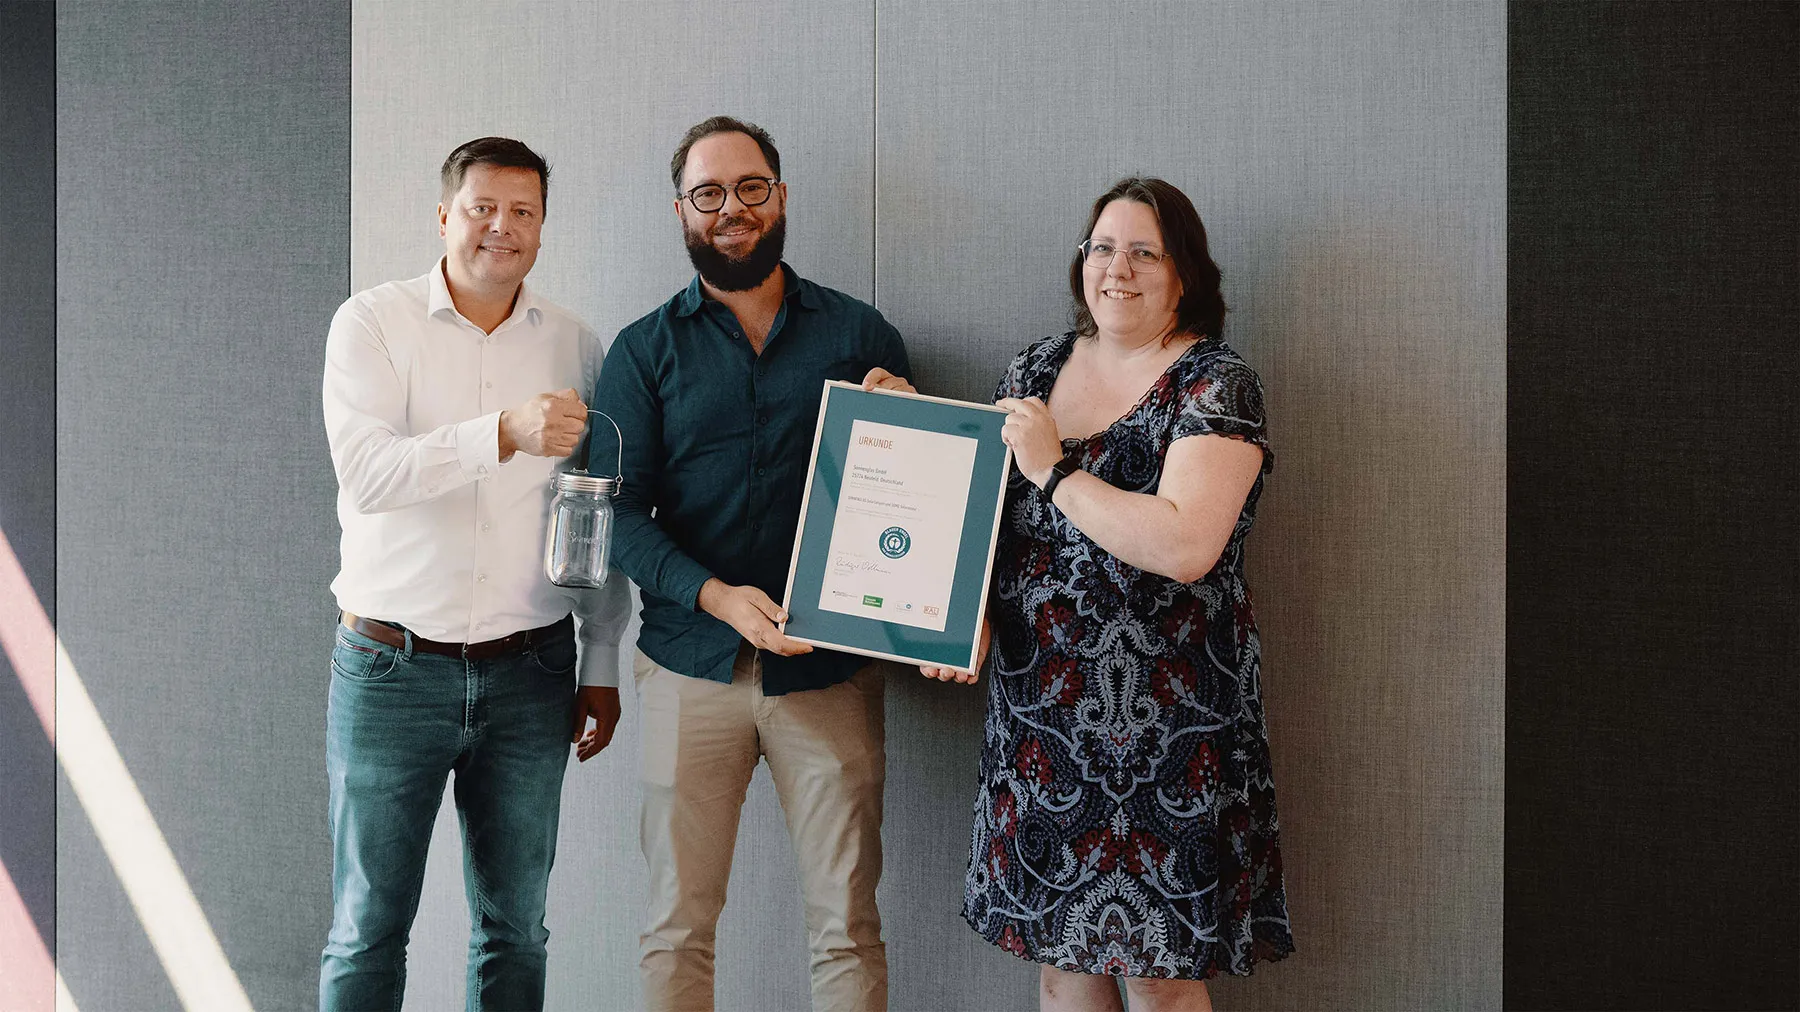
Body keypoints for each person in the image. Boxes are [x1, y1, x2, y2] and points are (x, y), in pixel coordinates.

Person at [921, 177, 1294, 1011]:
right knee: (1063, 968)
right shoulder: (1036, 367)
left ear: (1183, 274)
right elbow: (987, 513)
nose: (1115, 268)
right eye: (1101, 247)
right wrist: (961, 611)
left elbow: (1186, 545)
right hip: (1042, 718)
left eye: (1142, 252)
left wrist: (1056, 469)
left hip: (1170, 730)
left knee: (1159, 980)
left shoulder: (1216, 384)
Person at [592, 116, 914, 1012]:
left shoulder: (861, 333)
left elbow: (909, 503)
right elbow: (615, 516)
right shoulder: (642, 350)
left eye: (749, 188)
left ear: (780, 196)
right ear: (682, 211)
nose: (730, 208)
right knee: (676, 925)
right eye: (708, 193)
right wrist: (718, 596)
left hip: (832, 672)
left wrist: (912, 422)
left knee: (846, 927)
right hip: (690, 662)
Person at [319, 136, 632, 1011]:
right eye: (483, 208)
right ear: (445, 216)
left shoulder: (575, 342)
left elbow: (596, 512)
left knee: (516, 929)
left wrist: (601, 659)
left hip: (532, 674)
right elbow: (369, 475)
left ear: (542, 228)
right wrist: (502, 432)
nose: (503, 227)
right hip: (389, 671)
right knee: (366, 929)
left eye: (523, 212)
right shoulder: (371, 322)